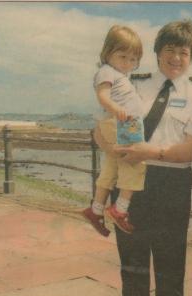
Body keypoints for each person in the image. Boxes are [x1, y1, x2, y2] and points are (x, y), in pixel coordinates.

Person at [94, 20, 192, 296]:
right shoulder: (131, 83)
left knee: (171, 272)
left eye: (184, 51)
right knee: (132, 271)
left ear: (191, 57)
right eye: (170, 49)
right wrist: (113, 148)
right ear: (157, 52)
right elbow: (100, 127)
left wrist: (150, 150)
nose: (176, 57)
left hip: (172, 188)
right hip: (131, 185)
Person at [82, 25, 145, 236]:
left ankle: (96, 209)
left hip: (118, 122)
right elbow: (103, 96)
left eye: (133, 59)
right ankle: (119, 210)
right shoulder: (107, 71)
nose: (128, 63)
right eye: (122, 56)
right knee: (135, 162)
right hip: (124, 122)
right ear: (108, 52)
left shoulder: (118, 74)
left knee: (112, 165)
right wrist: (118, 111)